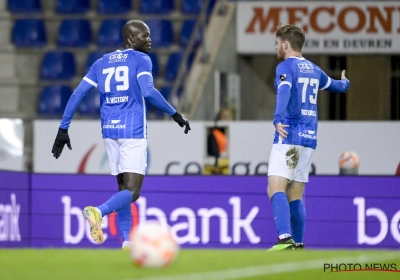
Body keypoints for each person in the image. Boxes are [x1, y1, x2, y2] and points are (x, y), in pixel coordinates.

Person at [51, 20, 191, 250]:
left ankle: (126, 241)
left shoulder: (101, 62)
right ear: (132, 39)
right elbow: (148, 91)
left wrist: (63, 128)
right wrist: (174, 113)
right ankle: (98, 212)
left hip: (109, 131)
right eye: (145, 36)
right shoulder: (141, 59)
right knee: (133, 192)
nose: (150, 40)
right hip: (132, 130)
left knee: (123, 190)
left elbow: (77, 94)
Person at [267, 24, 349, 251]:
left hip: (290, 135)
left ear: (285, 44)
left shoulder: (286, 66)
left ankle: (284, 239)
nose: (276, 48)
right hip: (309, 138)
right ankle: (299, 244)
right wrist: (346, 83)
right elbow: (336, 86)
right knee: (296, 193)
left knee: (276, 188)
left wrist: (277, 118)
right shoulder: (314, 69)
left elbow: (284, 90)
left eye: (277, 44)